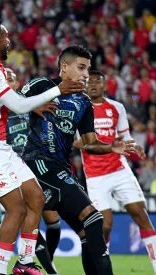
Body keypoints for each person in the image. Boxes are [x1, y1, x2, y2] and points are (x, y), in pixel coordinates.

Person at [0, 19, 85, 275]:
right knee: (17, 209)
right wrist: (57, 90)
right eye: (6, 38)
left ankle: (25, 263)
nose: (10, 42)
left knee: (37, 198)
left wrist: (31, 103)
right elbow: (17, 106)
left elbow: (6, 102)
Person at [20, 45, 134, 275]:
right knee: (93, 216)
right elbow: (11, 103)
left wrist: (111, 146)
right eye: (81, 68)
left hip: (62, 169)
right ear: (64, 66)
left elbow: (90, 142)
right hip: (38, 164)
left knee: (87, 233)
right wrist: (35, 104)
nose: (86, 74)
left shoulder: (83, 103)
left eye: (88, 69)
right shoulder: (42, 85)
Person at [75, 69, 156, 273]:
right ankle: (104, 267)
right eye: (89, 81)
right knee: (105, 226)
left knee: (141, 215)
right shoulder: (79, 109)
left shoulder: (116, 107)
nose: (93, 84)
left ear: (104, 85)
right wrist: (97, 144)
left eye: (97, 81)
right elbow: (74, 142)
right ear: (85, 86)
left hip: (120, 171)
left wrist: (133, 146)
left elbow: (125, 136)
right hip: (95, 176)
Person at [4, 68, 59, 275]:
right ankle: (46, 269)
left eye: (11, 79)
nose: (7, 82)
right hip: (13, 168)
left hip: (37, 165)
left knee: (53, 223)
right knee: (28, 215)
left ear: (17, 84)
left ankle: (48, 260)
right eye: (3, 79)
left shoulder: (29, 102)